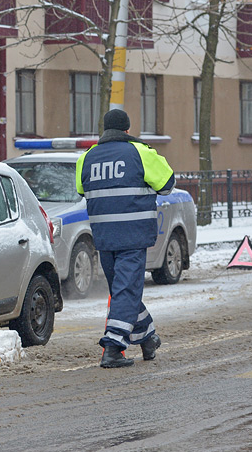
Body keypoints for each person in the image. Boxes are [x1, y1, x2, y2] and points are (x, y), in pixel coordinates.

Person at [75, 108, 176, 368]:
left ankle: (148, 338)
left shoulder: (87, 157)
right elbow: (167, 184)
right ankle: (113, 346)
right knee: (126, 290)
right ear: (127, 130)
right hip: (132, 236)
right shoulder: (140, 152)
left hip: (104, 237)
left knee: (123, 291)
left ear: (105, 130)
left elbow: (80, 188)